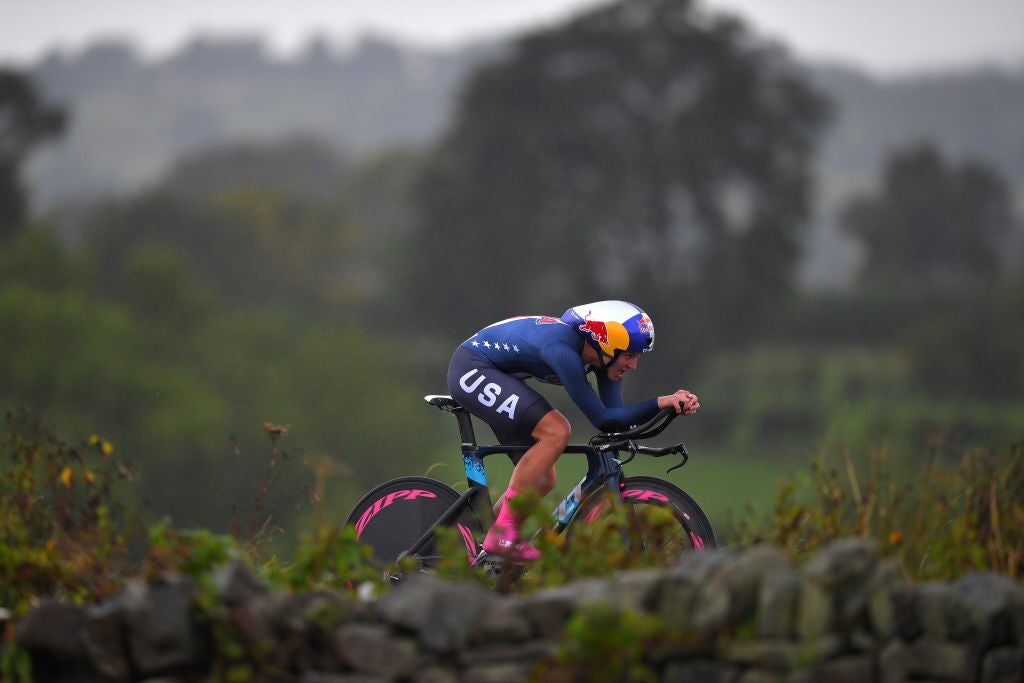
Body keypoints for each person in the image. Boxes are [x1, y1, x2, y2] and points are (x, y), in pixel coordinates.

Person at [446, 300, 700, 561]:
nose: (633, 364)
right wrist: (660, 402)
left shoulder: (602, 360)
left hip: (496, 373)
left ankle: (483, 548)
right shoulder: (563, 350)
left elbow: (616, 422)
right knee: (557, 431)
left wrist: (670, 407)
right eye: (629, 355)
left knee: (543, 480)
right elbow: (602, 418)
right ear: (606, 344)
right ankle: (502, 535)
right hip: (472, 367)